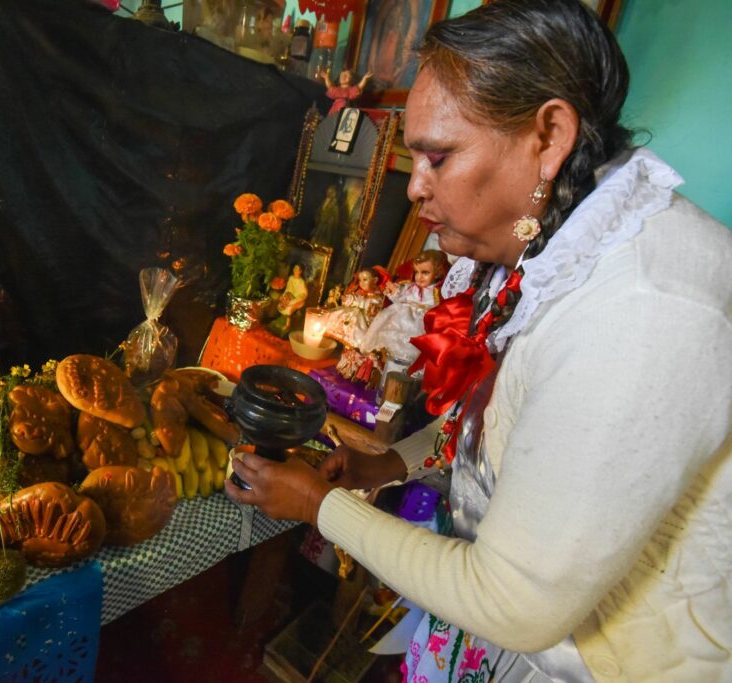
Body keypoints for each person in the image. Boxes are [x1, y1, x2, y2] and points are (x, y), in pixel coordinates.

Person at [226, 1, 732, 681]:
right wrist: (386, 466)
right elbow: (506, 426)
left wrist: (322, 506)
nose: (418, 190)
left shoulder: (643, 309)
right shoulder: (553, 240)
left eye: (438, 157)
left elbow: (514, 600)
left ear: (548, 137)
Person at [360, 249, 449, 373]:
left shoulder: (437, 293)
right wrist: (394, 293)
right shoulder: (410, 287)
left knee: (409, 345)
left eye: (425, 273)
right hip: (398, 315)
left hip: (418, 323)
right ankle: (378, 365)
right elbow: (400, 299)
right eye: (417, 272)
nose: (419, 277)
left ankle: (400, 368)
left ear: (438, 273)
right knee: (386, 334)